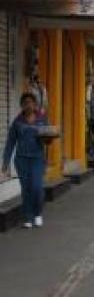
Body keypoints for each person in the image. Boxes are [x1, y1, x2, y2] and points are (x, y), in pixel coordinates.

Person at [2, 93, 50, 228]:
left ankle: (38, 213)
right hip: (21, 160)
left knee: (37, 188)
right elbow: (10, 143)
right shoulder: (17, 122)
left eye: (30, 102)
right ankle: (28, 217)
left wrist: (49, 137)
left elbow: (48, 138)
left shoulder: (42, 119)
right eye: (25, 103)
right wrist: (5, 164)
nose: (28, 105)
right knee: (26, 189)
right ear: (22, 105)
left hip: (37, 159)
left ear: (35, 104)